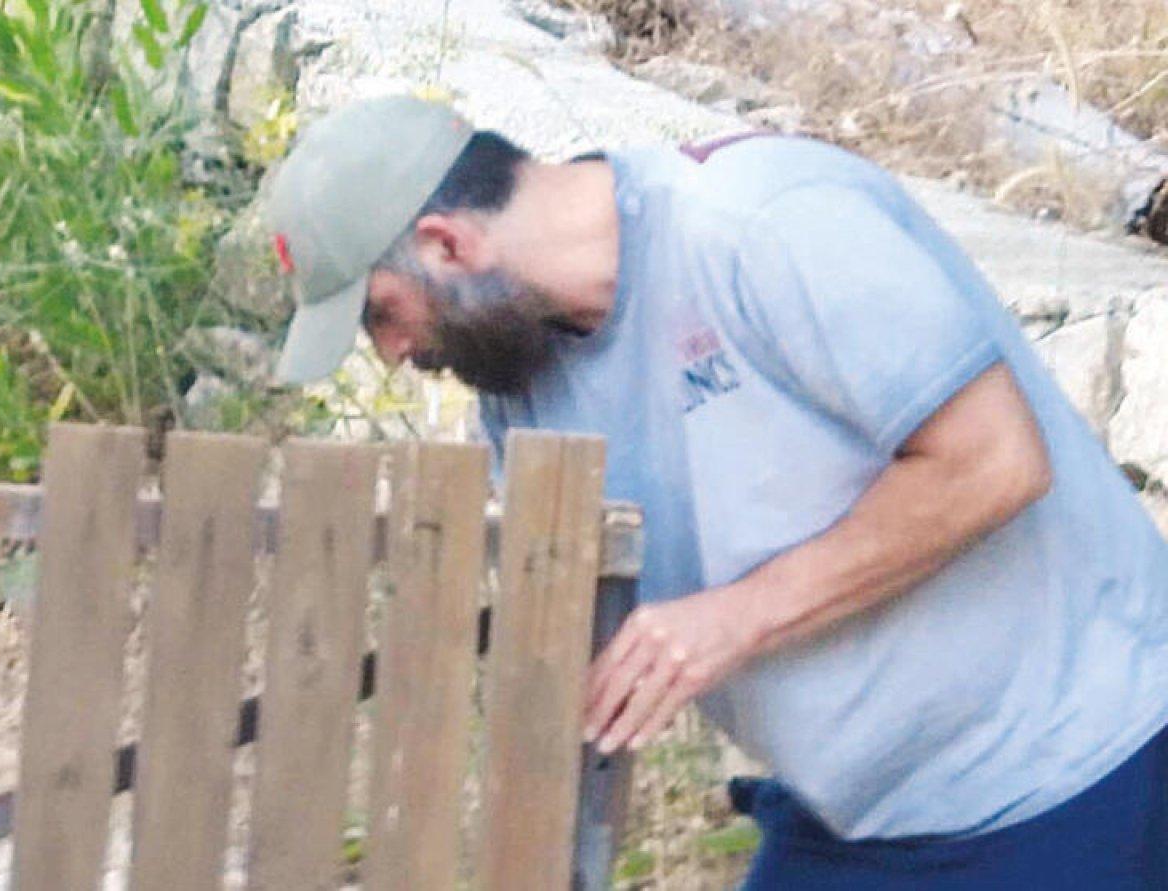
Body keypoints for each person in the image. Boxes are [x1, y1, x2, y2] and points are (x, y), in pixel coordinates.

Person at [265, 95, 1168, 888]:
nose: (390, 352)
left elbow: (995, 461)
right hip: (852, 818)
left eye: (380, 313)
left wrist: (733, 618)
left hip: (1073, 771)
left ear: (446, 243)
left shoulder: (762, 224)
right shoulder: (519, 379)